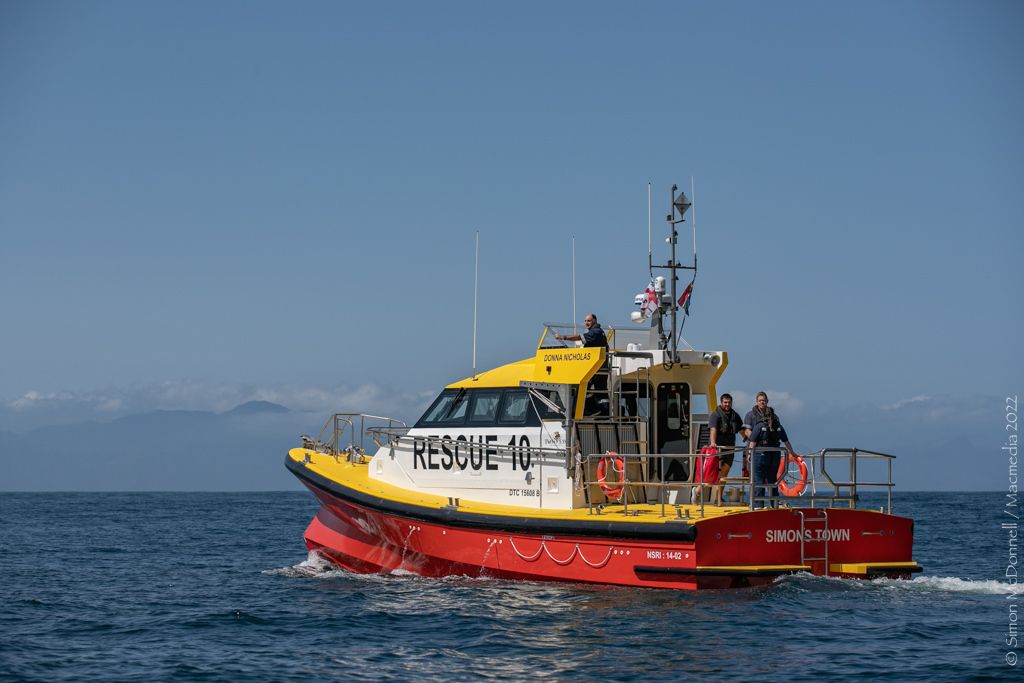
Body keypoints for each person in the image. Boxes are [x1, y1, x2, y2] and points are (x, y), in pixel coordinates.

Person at [744, 392, 795, 509]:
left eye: (764, 400)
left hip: (760, 454)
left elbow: (753, 441)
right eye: (760, 400)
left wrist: (749, 454)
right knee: (772, 480)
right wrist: (792, 453)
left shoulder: (759, 425)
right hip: (774, 455)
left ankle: (758, 504)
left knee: (759, 479)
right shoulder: (777, 425)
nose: (762, 402)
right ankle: (774, 503)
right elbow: (786, 440)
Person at [707, 393, 749, 505]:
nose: (727, 404)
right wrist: (713, 442)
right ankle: (697, 492)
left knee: (724, 473)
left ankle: (718, 497)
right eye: (725, 402)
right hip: (717, 449)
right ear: (721, 402)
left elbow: (741, 429)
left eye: (729, 402)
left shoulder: (735, 415)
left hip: (730, 448)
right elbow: (713, 429)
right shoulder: (715, 415)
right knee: (711, 473)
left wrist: (751, 439)